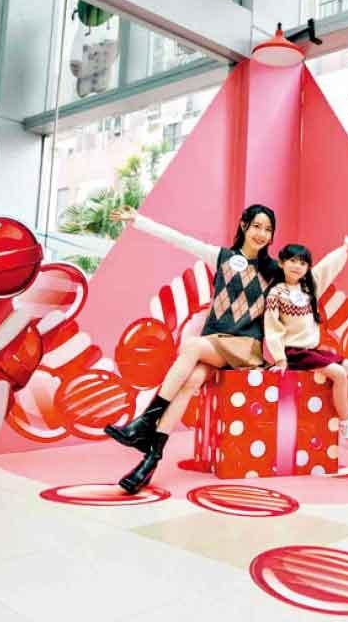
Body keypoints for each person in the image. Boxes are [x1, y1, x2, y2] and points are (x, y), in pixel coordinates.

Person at [103, 204, 281, 493]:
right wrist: (138, 220)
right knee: (191, 382)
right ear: (244, 225)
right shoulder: (222, 257)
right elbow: (179, 239)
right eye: (257, 226)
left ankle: (145, 421)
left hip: (244, 347)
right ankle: (150, 460)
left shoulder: (273, 271)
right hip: (216, 345)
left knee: (192, 345)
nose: (262, 234)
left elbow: (308, 280)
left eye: (268, 229)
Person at [264, 241, 348, 443]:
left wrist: (344, 248)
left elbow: (326, 268)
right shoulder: (276, 293)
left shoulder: (308, 289)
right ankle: (346, 425)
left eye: (303, 263)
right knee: (339, 374)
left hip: (311, 351)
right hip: (293, 353)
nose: (297, 266)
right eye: (292, 261)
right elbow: (272, 328)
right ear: (281, 263)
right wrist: (280, 359)